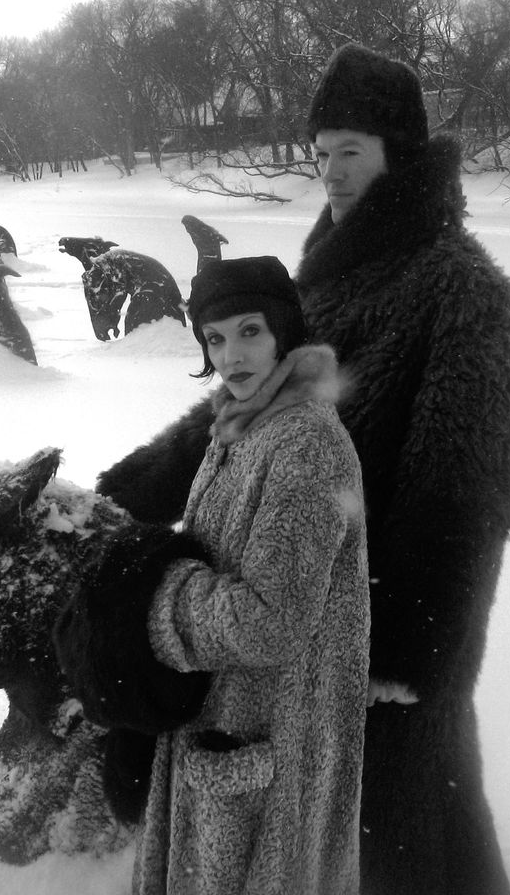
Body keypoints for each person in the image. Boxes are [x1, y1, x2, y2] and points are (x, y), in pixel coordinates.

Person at [97, 44, 510, 895]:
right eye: (319, 153)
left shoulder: (463, 291)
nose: (329, 174)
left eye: (350, 152)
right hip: (304, 595)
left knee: (403, 816)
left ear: (398, 153)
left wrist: (408, 646)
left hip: (394, 614)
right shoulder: (330, 276)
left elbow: (468, 489)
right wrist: (137, 486)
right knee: (328, 826)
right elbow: (249, 400)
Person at [115, 255, 370, 894]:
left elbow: (269, 624)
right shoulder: (241, 426)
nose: (232, 355)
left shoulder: (303, 442)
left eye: (250, 331)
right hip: (235, 732)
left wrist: (157, 592)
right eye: (215, 338)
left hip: (271, 745)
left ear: (283, 330)